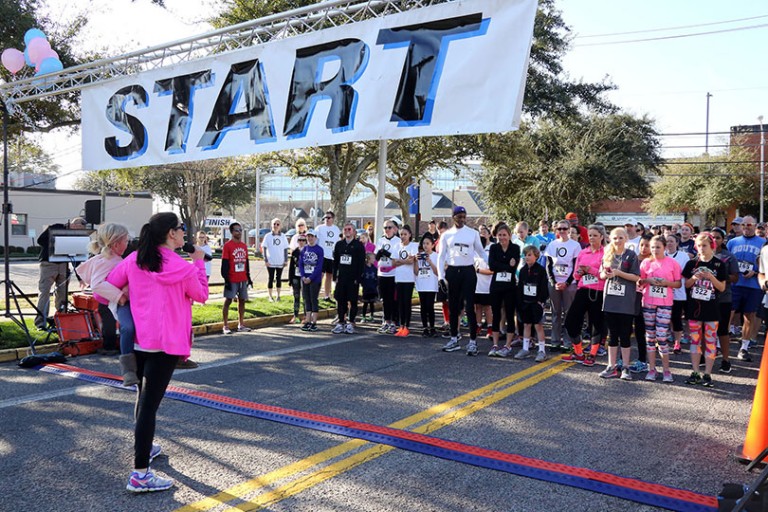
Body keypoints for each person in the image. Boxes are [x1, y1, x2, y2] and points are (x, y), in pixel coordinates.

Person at [107, 212, 208, 493]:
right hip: (167, 344)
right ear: (171, 234)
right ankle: (140, 474)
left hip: (138, 340)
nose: (184, 233)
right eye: (181, 228)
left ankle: (146, 447)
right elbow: (201, 295)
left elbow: (108, 287)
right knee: (150, 406)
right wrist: (199, 262)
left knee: (143, 400)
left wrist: (126, 295)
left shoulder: (135, 259)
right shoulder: (183, 267)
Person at [76, 223, 137, 385]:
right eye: (126, 240)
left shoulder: (111, 258)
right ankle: (125, 365)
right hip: (115, 301)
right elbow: (96, 284)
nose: (128, 243)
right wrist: (119, 297)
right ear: (116, 243)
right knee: (125, 327)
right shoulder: (107, 260)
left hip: (117, 300)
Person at [438, 206, 487, 355]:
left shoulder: (472, 233)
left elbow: (481, 252)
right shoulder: (446, 235)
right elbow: (441, 256)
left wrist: (495, 266)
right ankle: (454, 338)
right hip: (453, 271)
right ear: (453, 217)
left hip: (468, 271)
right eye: (459, 216)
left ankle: (472, 341)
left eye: (464, 216)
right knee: (453, 308)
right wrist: (441, 276)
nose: (462, 219)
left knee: (470, 307)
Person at [682, 233, 727, 388]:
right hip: (694, 307)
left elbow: (722, 287)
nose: (701, 249)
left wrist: (710, 277)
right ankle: (695, 372)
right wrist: (695, 278)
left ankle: (708, 373)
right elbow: (686, 285)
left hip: (712, 308)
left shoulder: (719, 264)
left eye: (704, 245)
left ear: (712, 246)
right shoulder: (691, 264)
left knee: (710, 341)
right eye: (699, 246)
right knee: (694, 340)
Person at [638, 235, 682, 382]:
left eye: (658, 247)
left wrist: (666, 283)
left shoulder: (672, 263)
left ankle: (666, 370)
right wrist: (647, 280)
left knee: (662, 337)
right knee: (650, 337)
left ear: (664, 247)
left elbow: (678, 284)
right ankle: (652, 369)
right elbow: (640, 282)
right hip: (648, 302)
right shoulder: (646, 262)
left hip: (665, 303)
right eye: (652, 247)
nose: (655, 250)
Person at [599, 227, 640, 381]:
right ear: (610, 239)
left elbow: (636, 277)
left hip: (626, 301)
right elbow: (601, 274)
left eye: (620, 238)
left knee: (625, 335)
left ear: (626, 239)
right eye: (615, 238)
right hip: (610, 300)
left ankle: (626, 367)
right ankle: (611, 365)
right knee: (612, 334)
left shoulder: (631, 255)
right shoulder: (607, 254)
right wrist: (607, 273)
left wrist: (618, 273)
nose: (617, 241)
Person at [562, 225, 606, 367]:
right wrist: (580, 272)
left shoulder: (605, 253)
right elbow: (575, 274)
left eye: (595, 235)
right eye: (590, 235)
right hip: (583, 289)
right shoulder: (583, 253)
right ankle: (578, 352)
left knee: (596, 324)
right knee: (570, 321)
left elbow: (605, 275)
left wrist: (591, 270)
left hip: (597, 291)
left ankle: (592, 355)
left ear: (601, 237)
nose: (592, 238)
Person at [34, 216, 88, 330]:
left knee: (62, 294)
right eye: (78, 229)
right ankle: (40, 323)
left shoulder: (74, 237)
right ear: (74, 225)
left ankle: (61, 321)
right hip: (48, 264)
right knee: (44, 292)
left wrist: (80, 278)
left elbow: (76, 258)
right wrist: (57, 243)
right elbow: (40, 240)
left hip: (63, 265)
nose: (78, 232)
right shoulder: (56, 227)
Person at [726, 215, 765, 361]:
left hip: (753, 285)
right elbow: (726, 261)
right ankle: (718, 344)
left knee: (749, 317)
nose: (746, 228)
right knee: (728, 314)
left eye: (749, 225)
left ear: (755, 226)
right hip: (735, 285)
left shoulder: (763, 243)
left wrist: (755, 273)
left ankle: (744, 348)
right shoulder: (732, 242)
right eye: (743, 225)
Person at [544, 219, 581, 351]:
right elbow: (548, 265)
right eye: (559, 229)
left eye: (565, 229)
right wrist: (553, 282)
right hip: (554, 283)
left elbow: (576, 266)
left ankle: (568, 341)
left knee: (569, 313)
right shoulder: (552, 245)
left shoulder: (575, 245)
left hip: (569, 284)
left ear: (569, 229)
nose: (562, 231)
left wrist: (567, 283)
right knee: (555, 312)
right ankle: (555, 341)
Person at [510, 245, 549, 361]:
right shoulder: (522, 271)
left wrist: (541, 301)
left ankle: (542, 350)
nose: (527, 257)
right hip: (525, 302)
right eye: (525, 255)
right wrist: (520, 301)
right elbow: (520, 287)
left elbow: (543, 287)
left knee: (538, 325)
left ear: (536, 256)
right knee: (526, 325)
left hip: (536, 302)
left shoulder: (541, 270)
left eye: (529, 255)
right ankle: (525, 348)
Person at [487, 224, 520, 357]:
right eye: (499, 235)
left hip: (510, 286)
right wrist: (506, 265)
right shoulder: (494, 248)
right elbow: (492, 266)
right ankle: (495, 344)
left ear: (509, 235)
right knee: (496, 314)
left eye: (504, 235)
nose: (502, 237)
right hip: (496, 285)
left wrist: (502, 266)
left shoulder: (515, 248)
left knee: (510, 313)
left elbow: (514, 267)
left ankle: (507, 345)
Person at [711, 227, 739, 373]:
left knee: (722, 330)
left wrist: (720, 278)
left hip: (723, 298)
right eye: (712, 237)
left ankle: (726, 360)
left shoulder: (729, 256)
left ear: (723, 240)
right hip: (705, 299)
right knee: (705, 329)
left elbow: (735, 276)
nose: (714, 240)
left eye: (717, 238)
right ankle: (705, 356)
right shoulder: (701, 256)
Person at [331, 223, 365, 334]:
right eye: (345, 229)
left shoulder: (358, 245)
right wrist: (334, 275)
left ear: (354, 231)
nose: (347, 231)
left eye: (349, 229)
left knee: (353, 300)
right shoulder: (339, 245)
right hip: (342, 277)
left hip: (353, 278)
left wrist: (358, 278)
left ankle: (351, 322)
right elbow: (335, 261)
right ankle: (341, 321)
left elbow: (361, 263)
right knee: (341, 300)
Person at [221, 222, 252, 334]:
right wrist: (226, 279)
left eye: (240, 230)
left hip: (242, 277)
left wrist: (249, 277)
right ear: (232, 232)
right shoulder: (227, 246)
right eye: (236, 230)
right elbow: (224, 264)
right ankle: (225, 325)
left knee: (242, 300)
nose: (238, 232)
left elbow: (246, 262)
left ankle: (241, 324)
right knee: (228, 300)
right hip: (232, 277)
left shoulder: (243, 246)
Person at [665, 234, 691, 354]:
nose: (669, 243)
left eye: (671, 241)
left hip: (678, 292)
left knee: (676, 317)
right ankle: (666, 336)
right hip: (663, 292)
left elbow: (686, 273)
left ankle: (677, 342)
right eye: (667, 241)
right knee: (665, 316)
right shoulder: (660, 254)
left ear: (677, 243)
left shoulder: (683, 256)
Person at [375, 219, 401, 334]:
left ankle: (395, 322)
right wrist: (379, 254)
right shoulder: (380, 240)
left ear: (394, 229)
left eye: (389, 227)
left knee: (393, 299)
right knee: (385, 299)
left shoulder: (398, 241)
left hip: (393, 274)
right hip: (382, 273)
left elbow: (398, 258)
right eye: (385, 228)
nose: (387, 230)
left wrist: (388, 254)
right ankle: (386, 321)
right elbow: (375, 257)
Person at [393, 225, 419, 337]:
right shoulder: (396, 246)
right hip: (399, 278)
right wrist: (404, 261)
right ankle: (401, 325)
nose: (403, 236)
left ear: (409, 235)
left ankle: (406, 326)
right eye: (401, 234)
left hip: (409, 279)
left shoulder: (413, 246)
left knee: (406, 302)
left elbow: (411, 261)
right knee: (400, 302)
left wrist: (401, 261)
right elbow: (393, 263)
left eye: (405, 234)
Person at [299, 230, 324, 331]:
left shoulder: (319, 250)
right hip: (305, 278)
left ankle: (314, 322)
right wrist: (303, 276)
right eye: (308, 236)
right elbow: (301, 264)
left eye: (312, 236)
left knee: (314, 299)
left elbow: (319, 266)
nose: (310, 238)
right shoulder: (304, 249)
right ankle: (307, 320)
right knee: (306, 299)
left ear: (315, 238)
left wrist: (311, 278)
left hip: (315, 278)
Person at [415, 234, 439, 336]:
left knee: (430, 306)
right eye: (424, 243)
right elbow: (416, 272)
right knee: (423, 307)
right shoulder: (419, 256)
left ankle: (432, 327)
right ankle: (425, 327)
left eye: (428, 243)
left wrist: (430, 261)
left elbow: (437, 272)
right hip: (421, 284)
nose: (425, 246)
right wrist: (415, 261)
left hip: (431, 285)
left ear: (432, 245)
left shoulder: (436, 256)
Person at [261, 218, 288, 302]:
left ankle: (278, 296)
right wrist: (265, 260)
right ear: (271, 225)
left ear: (280, 226)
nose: (276, 226)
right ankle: (270, 296)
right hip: (270, 261)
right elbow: (264, 248)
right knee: (271, 278)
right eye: (274, 224)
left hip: (280, 261)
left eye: (278, 224)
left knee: (279, 278)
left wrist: (286, 260)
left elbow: (285, 249)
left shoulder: (283, 236)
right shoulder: (268, 236)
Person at [316, 211, 339, 302]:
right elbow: (316, 241)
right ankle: (316, 295)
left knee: (329, 276)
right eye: (325, 218)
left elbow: (338, 242)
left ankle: (327, 295)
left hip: (332, 256)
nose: (326, 219)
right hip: (322, 256)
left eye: (328, 218)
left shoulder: (336, 229)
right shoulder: (319, 228)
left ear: (332, 219)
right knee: (320, 275)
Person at [287, 234, 307, 324]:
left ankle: (307, 316)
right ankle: (295, 315)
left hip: (305, 277)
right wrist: (290, 279)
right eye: (300, 240)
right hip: (296, 276)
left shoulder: (308, 251)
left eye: (303, 240)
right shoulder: (295, 252)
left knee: (305, 297)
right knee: (296, 296)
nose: (301, 242)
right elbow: (291, 266)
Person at [360, 253, 379, 323]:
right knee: (365, 303)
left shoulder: (374, 268)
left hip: (373, 288)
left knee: (372, 303)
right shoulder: (364, 268)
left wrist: (376, 285)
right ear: (368, 259)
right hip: (366, 288)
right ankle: (364, 316)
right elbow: (361, 278)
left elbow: (376, 278)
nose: (374, 260)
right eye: (373, 258)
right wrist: (362, 284)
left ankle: (371, 315)